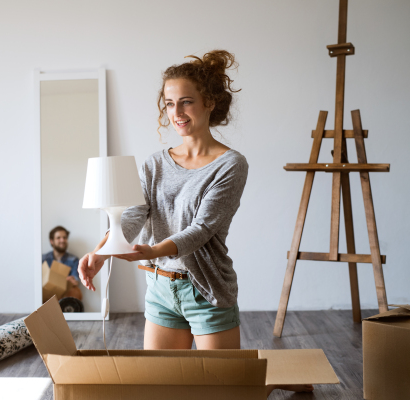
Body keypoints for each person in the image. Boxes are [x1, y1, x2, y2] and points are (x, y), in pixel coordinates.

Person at [77, 50, 312, 397]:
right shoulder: (156, 163)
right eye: (169, 104)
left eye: (185, 102)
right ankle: (252, 375)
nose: (176, 113)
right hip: (160, 289)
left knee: (227, 393)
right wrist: (101, 252)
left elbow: (201, 230)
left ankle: (269, 378)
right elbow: (135, 215)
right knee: (159, 390)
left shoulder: (231, 165)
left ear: (210, 103)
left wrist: (152, 249)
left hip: (205, 289)